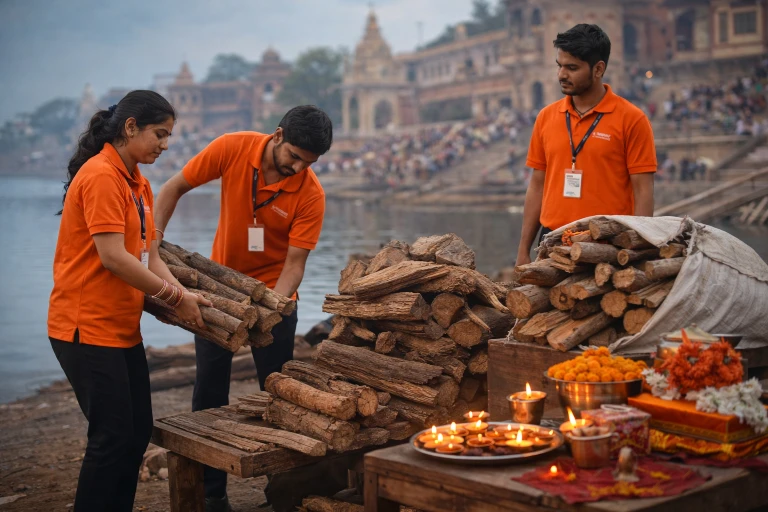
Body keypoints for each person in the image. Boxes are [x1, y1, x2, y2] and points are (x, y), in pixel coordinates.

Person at [154, 105, 332, 511]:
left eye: (309, 163)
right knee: (209, 391)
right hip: (218, 291)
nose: (299, 167)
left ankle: (281, 491)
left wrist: (271, 309)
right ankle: (212, 493)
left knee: (278, 395)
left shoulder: (311, 193)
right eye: (295, 156)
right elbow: (171, 188)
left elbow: (294, 266)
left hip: (275, 300)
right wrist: (153, 242)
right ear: (278, 134)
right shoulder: (232, 148)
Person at [47, 90, 211, 512]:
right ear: (130, 127)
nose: (165, 144)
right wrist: (175, 298)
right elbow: (113, 257)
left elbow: (149, 254)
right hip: (85, 327)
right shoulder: (101, 174)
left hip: (120, 328)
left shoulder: (138, 181)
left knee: (135, 434)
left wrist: (184, 294)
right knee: (111, 438)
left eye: (170, 135)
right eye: (160, 133)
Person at [515, 24, 656, 265]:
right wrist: (523, 250)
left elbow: (643, 191)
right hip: (552, 241)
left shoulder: (632, 119)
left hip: (608, 245)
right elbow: (537, 186)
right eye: (559, 66)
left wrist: (637, 250)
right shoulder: (546, 117)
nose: (562, 75)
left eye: (572, 68)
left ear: (598, 69)